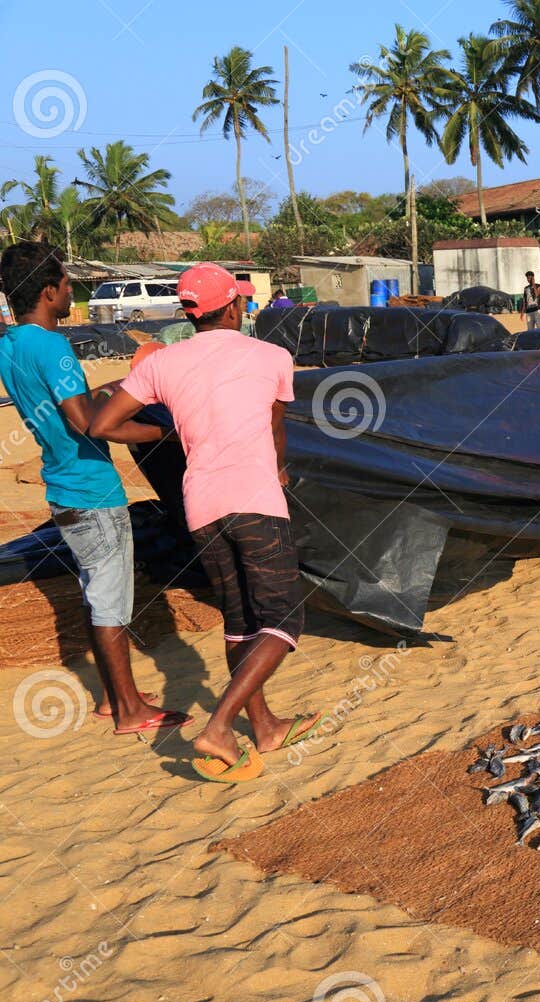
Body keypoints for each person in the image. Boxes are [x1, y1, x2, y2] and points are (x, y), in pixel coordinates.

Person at [92, 262, 319, 783]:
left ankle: (263, 725)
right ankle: (219, 726)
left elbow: (104, 423)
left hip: (201, 505)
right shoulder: (271, 356)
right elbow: (274, 427)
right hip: (254, 497)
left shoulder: (162, 364)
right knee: (285, 618)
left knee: (240, 622)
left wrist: (169, 437)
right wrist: (278, 470)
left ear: (190, 313)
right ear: (235, 307)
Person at [0, 243, 189, 735]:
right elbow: (90, 425)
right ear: (48, 291)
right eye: (65, 284)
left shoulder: (11, 345)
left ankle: (114, 696)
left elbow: (67, 406)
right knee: (110, 602)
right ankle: (129, 711)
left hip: (62, 486)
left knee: (95, 595)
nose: (70, 291)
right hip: (93, 491)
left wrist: (108, 392)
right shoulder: (52, 346)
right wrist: (164, 432)